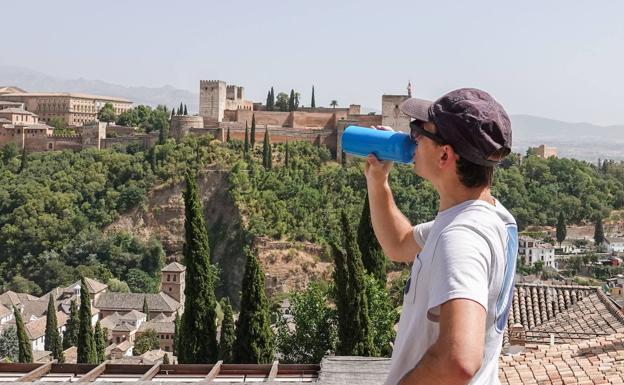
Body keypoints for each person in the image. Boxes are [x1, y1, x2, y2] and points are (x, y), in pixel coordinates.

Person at [365, 88, 518, 385]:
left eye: (419, 131)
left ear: (445, 154)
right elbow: (399, 243)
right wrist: (377, 180)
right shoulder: (494, 217)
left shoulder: (461, 237)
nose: (413, 139)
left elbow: (459, 360)